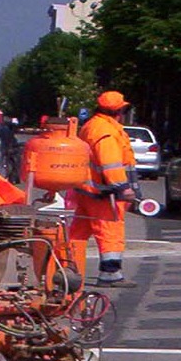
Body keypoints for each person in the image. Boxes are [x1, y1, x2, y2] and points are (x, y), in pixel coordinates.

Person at [71, 90, 137, 288]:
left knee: (78, 232)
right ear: (119, 111)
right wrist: (122, 187)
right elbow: (110, 163)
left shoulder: (92, 126)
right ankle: (110, 274)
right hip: (103, 193)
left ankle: (65, 267)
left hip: (88, 190)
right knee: (110, 232)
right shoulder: (105, 131)